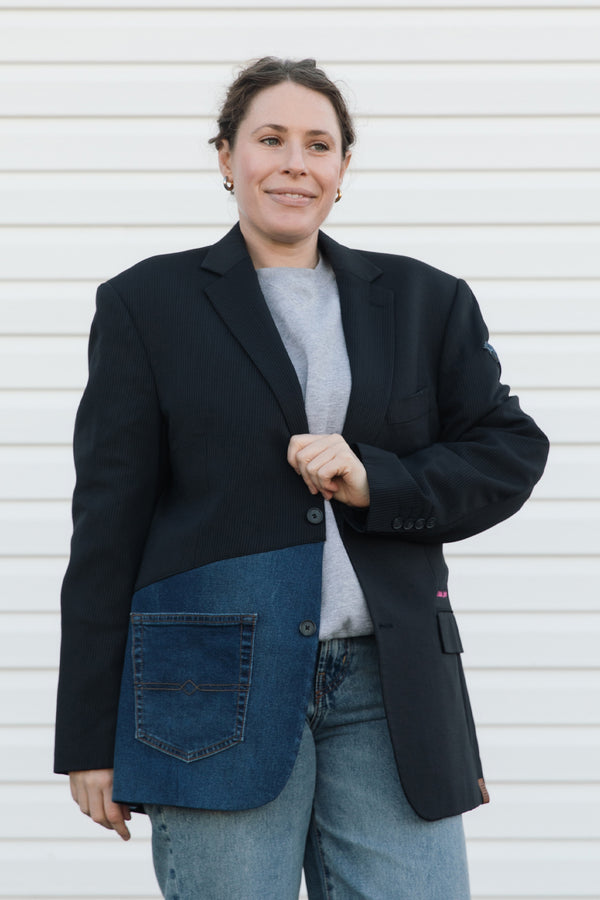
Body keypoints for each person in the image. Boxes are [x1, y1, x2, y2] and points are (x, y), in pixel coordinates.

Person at [55, 57, 549, 899]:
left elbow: (508, 450)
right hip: (210, 685)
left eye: (319, 144)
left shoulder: (428, 300)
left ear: (343, 169)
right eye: (270, 139)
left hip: (389, 687)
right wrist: (89, 736)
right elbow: (108, 522)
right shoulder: (146, 304)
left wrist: (375, 480)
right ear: (225, 157)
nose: (295, 162)